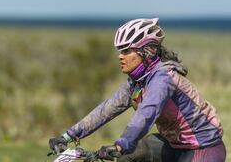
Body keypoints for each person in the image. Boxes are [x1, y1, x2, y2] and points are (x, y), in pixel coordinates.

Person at [49, 18, 226, 162]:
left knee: (126, 149)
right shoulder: (137, 81)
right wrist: (67, 136)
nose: (120, 56)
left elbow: (147, 114)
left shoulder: (162, 79)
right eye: (120, 51)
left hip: (203, 148)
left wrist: (121, 144)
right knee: (129, 156)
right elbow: (105, 110)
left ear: (146, 51)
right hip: (174, 146)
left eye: (126, 51)